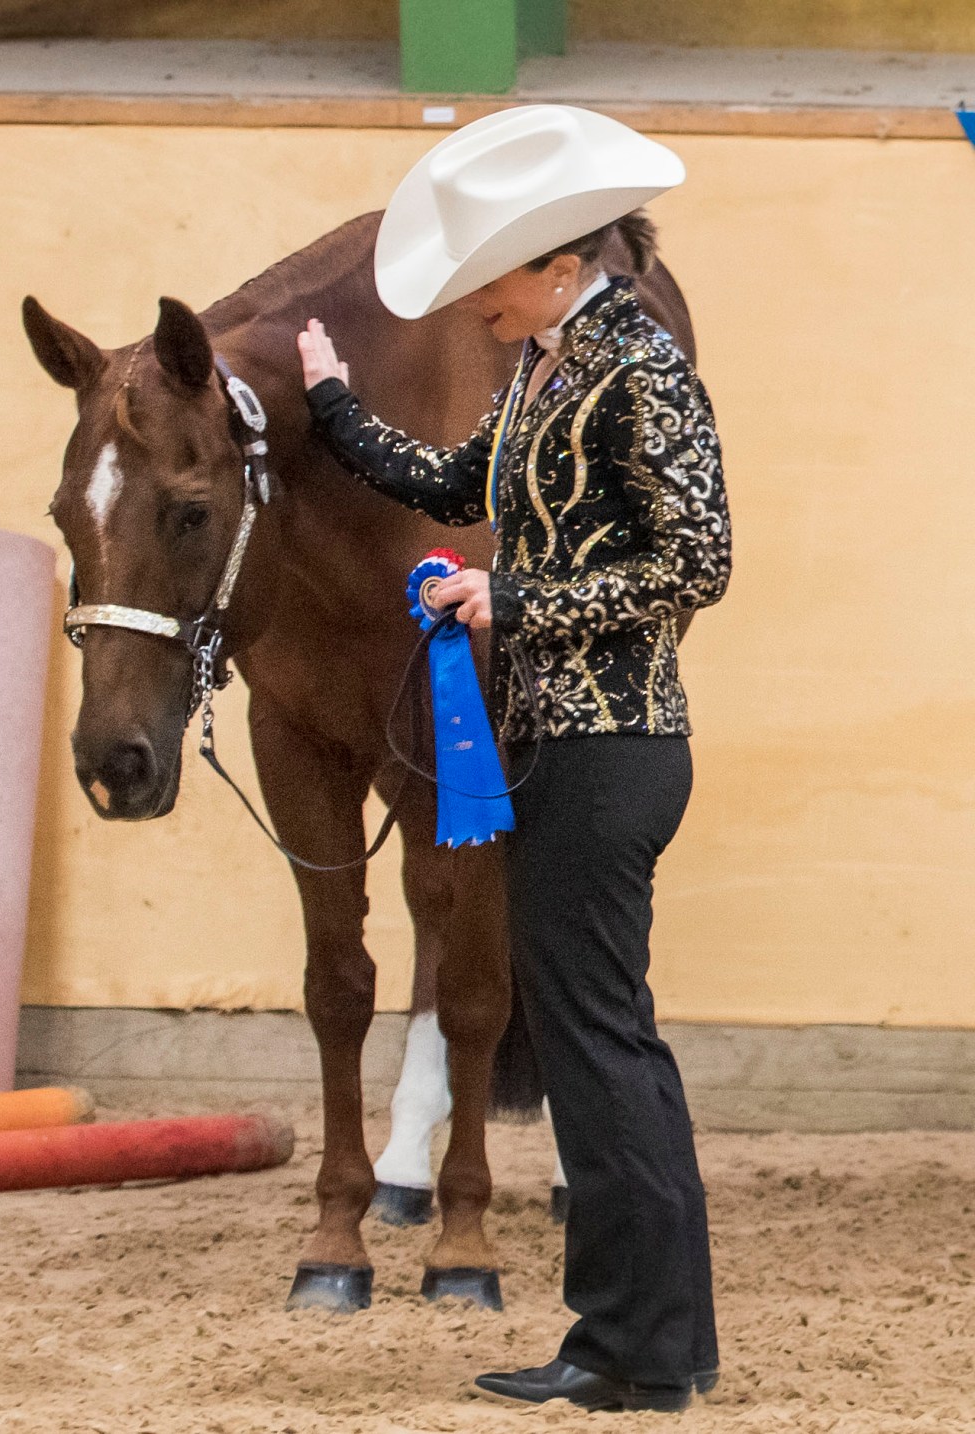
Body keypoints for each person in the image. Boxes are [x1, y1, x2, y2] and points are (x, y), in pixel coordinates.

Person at [297, 105, 731, 1415]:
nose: (473, 300)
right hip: (568, 751)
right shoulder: (546, 369)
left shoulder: (640, 369)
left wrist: (516, 606)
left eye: (490, 272)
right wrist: (324, 399)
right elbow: (444, 483)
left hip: (615, 749)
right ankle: (637, 1337)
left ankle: (638, 1345)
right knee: (603, 1048)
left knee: (605, 1048)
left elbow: (699, 564)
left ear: (554, 260)